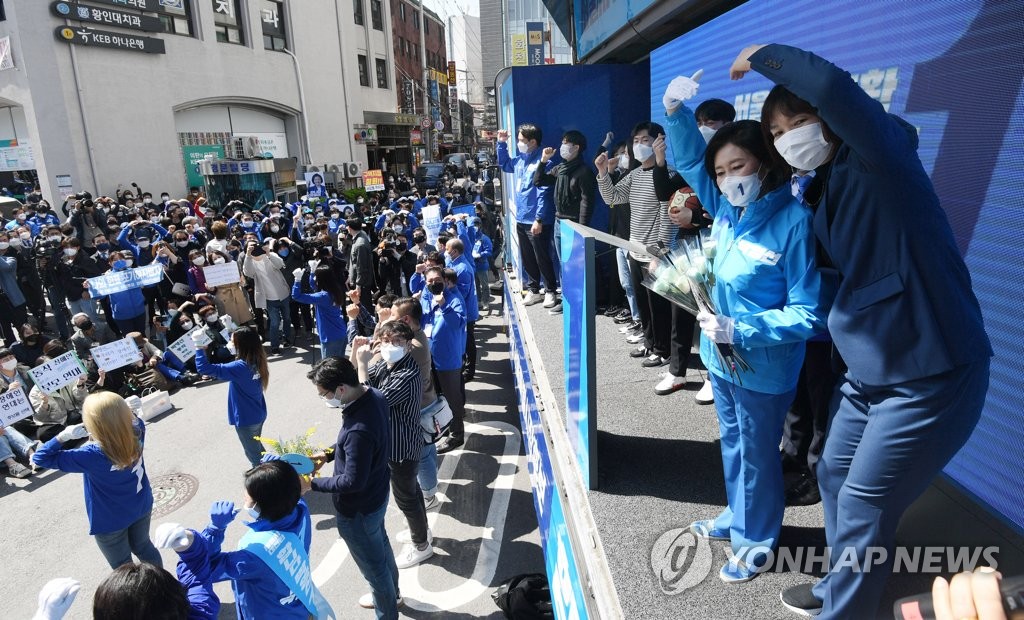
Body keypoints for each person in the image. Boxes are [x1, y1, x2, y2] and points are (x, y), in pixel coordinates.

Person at [730, 43, 992, 617]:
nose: (789, 137)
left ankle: (844, 611)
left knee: (866, 503)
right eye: (777, 132)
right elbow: (833, 284)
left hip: (930, 368)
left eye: (799, 122)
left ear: (828, 122)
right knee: (834, 470)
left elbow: (831, 87)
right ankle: (837, 588)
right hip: (872, 371)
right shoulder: (820, 189)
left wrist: (763, 56)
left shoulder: (878, 151)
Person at [662, 72, 826, 582]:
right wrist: (675, 115)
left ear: (765, 164)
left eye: (739, 165)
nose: (729, 177)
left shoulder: (794, 222)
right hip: (720, 360)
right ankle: (737, 515)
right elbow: (689, 162)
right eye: (722, 169)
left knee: (759, 456)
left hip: (763, 367)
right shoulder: (729, 210)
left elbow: (809, 312)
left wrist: (742, 330)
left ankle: (758, 541)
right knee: (732, 446)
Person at [154, 461, 332, 619]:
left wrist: (215, 529)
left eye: (248, 497)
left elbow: (206, 567)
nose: (244, 499)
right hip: (298, 609)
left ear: (258, 506)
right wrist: (276, 471)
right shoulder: (300, 510)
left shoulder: (254, 558)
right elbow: (287, 488)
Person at [304, 356, 400, 618]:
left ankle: (388, 612)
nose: (324, 398)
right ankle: (394, 594)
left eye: (324, 393)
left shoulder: (358, 428)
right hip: (377, 495)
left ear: (341, 389)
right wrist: (327, 454)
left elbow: (351, 481)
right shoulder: (373, 395)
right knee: (381, 546)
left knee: (374, 569)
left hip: (358, 511)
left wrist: (310, 484)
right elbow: (353, 447)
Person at [32, 392, 163, 569]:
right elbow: (132, 419)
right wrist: (126, 411)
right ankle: (164, 588)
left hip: (111, 520)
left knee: (123, 567)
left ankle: (138, 597)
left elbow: (40, 458)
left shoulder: (91, 455)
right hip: (141, 503)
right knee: (144, 547)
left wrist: (61, 437)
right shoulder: (137, 431)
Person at [596, 122, 678, 369]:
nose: (639, 145)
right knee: (642, 303)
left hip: (655, 253)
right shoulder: (634, 174)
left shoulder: (669, 174)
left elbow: (667, 213)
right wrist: (602, 172)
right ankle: (650, 342)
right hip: (635, 249)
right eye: (636, 140)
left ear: (658, 142)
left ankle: (663, 350)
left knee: (659, 306)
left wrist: (661, 251)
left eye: (645, 140)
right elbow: (613, 197)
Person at [354, 320, 433, 569]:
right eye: (386, 341)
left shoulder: (407, 373)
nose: (391, 345)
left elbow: (370, 401)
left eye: (397, 341)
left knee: (405, 498)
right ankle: (422, 532)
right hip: (395, 443)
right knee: (412, 492)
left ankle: (421, 545)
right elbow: (360, 382)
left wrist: (363, 366)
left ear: (409, 346)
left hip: (401, 448)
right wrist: (357, 358)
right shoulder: (390, 364)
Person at [533, 129, 598, 314]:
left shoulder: (584, 171)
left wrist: (582, 229)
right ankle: (568, 300)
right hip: (558, 222)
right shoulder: (560, 168)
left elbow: (587, 202)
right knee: (563, 263)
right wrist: (543, 161)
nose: (562, 146)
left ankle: (580, 302)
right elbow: (538, 181)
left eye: (566, 143)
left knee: (575, 265)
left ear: (576, 147)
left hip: (574, 224)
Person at [496, 123, 559, 307]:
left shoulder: (544, 161)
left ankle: (550, 291)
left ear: (533, 141)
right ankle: (533, 289)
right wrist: (501, 143)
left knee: (542, 256)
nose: (518, 143)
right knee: (528, 256)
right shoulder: (520, 160)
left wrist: (539, 218)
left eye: (522, 140)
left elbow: (544, 192)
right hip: (521, 218)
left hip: (537, 220)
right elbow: (504, 164)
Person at [194, 327, 269, 468]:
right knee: (257, 448)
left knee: (254, 456)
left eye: (232, 341)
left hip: (247, 419)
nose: (230, 343)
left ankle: (266, 482)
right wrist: (230, 329)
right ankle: (272, 468)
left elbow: (204, 369)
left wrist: (198, 347)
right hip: (257, 414)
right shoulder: (257, 359)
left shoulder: (239, 367)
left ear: (241, 345)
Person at [420, 267, 467, 454]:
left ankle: (457, 435)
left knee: (453, 398)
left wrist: (444, 306)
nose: (433, 283)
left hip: (448, 359)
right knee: (438, 398)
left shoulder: (454, 299)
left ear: (445, 280)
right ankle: (445, 426)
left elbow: (458, 324)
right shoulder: (428, 298)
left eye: (437, 279)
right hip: (431, 357)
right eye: (429, 281)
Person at [241, 238, 293, 355]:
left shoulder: (270, 255)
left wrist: (268, 253)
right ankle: (275, 346)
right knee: (274, 322)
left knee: (287, 318)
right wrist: (248, 256)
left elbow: (280, 264)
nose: (254, 247)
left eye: (255, 245)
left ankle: (287, 338)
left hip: (283, 294)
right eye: (251, 247)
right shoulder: (249, 261)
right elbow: (248, 273)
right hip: (268, 298)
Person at [292, 263, 348, 359]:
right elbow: (314, 286)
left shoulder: (322, 297)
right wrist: (313, 272)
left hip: (330, 337)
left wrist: (297, 280)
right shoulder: (335, 290)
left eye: (316, 277)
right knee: (340, 365)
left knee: (329, 369)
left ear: (321, 280)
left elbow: (296, 296)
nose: (315, 279)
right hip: (341, 333)